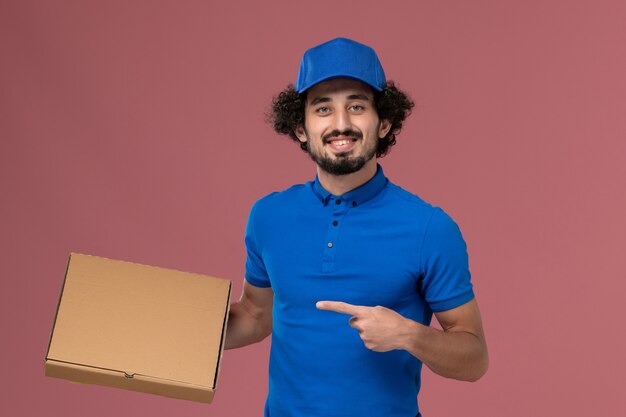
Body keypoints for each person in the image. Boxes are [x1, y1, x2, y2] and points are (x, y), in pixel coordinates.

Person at [225, 37, 488, 417]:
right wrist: (176, 333)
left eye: (356, 106)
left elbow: (474, 357)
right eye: (323, 109)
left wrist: (409, 335)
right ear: (300, 128)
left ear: (384, 123)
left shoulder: (430, 228)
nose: (341, 124)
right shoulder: (268, 216)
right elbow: (254, 315)